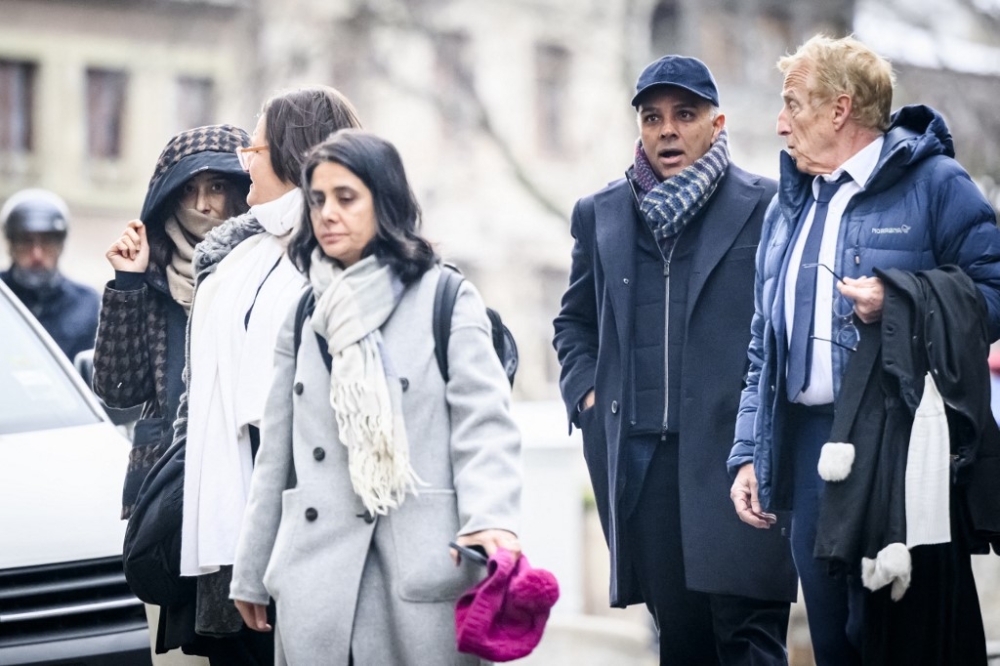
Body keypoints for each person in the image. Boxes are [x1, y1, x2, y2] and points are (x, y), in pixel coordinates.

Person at [728, 35, 1000, 665]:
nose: (780, 122)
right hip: (803, 447)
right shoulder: (787, 207)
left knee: (897, 640)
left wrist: (901, 300)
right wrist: (749, 450)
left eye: (792, 104)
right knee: (831, 642)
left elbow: (991, 293)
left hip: (899, 454)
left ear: (839, 109)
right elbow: (762, 344)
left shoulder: (936, 183)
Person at [228, 129, 522, 665]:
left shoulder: (446, 298)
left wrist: (491, 518)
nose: (328, 214)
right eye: (317, 200)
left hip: (422, 564)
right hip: (317, 578)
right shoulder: (305, 314)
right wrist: (251, 569)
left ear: (382, 203)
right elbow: (277, 454)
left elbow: (485, 425)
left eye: (346, 198)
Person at [552, 55, 796, 664]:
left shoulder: (768, 206)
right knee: (681, 645)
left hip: (736, 463)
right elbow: (573, 323)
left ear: (716, 124)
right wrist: (588, 400)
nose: (667, 130)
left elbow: (785, 328)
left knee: (750, 642)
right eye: (653, 116)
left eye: (684, 114)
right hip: (645, 472)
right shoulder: (601, 214)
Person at [171, 86, 362, 664]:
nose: (243, 160)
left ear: (290, 152)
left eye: (254, 146)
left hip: (311, 517)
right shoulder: (243, 252)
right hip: (241, 511)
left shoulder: (340, 247)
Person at [91, 124, 252, 661]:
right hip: (172, 495)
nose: (204, 204)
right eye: (189, 189)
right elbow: (118, 389)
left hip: (245, 486)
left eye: (217, 187)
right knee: (191, 650)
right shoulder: (152, 273)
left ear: (241, 187)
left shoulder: (262, 269)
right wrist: (129, 284)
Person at [1, 188, 99, 361]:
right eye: (25, 241)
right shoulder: (4, 296)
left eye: (48, 241)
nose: (37, 255)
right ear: (10, 244)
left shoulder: (89, 305)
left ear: (61, 245)